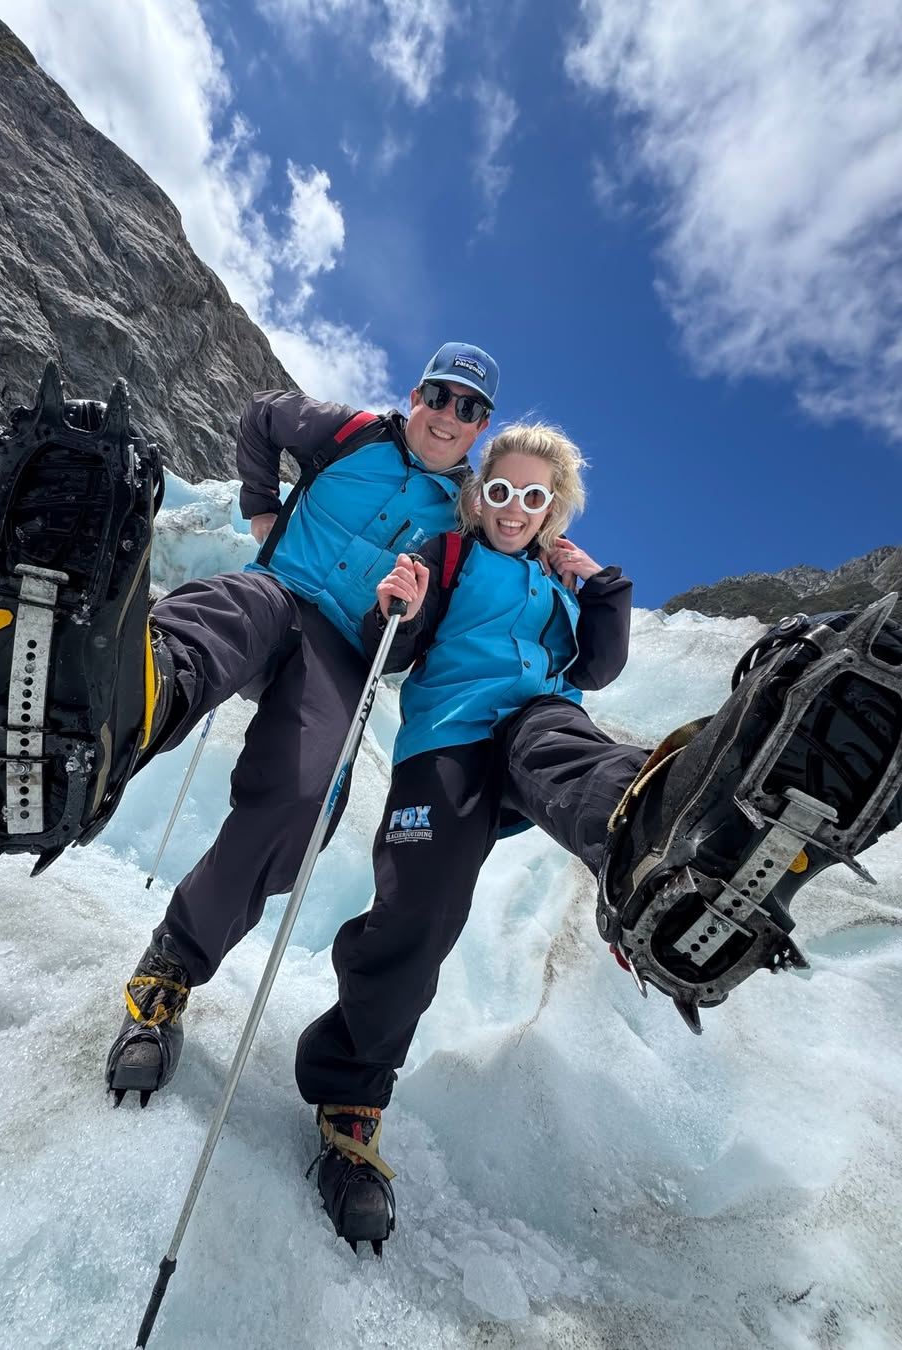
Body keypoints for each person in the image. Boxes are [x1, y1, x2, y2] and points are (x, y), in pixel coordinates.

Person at [293, 422, 902, 1252]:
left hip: (533, 722)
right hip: (445, 738)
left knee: (584, 760)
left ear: (554, 508)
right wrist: (395, 599)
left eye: (532, 497)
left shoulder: (560, 580)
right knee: (419, 916)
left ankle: (668, 846)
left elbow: (595, 670)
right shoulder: (449, 556)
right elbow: (387, 649)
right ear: (482, 495)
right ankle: (351, 1102)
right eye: (500, 491)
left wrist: (602, 589)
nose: (513, 508)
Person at [0, 343, 499, 1104]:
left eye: (468, 407)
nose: (449, 415)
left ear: (481, 427)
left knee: (303, 801)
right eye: (441, 395)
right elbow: (261, 417)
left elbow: (420, 639)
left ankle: (171, 964)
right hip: (276, 589)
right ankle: (108, 712)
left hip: (342, 650)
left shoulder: (463, 523)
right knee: (208, 629)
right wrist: (259, 504)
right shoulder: (354, 430)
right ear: (418, 394)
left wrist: (399, 612)